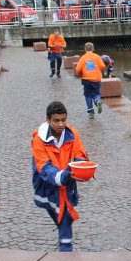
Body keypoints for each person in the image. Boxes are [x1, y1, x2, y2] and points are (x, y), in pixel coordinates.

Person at [31, 101, 88, 252]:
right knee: (61, 216)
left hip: (66, 186)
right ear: (48, 120)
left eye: (64, 119)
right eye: (56, 120)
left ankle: (65, 248)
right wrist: (64, 176)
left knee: (64, 217)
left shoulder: (73, 134)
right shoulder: (38, 141)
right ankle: (65, 246)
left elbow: (79, 153)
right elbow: (44, 167)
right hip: (47, 187)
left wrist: (80, 166)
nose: (61, 124)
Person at [76, 42, 105, 119]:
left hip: (86, 79)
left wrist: (80, 75)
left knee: (88, 95)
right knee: (96, 93)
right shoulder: (97, 57)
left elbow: (78, 69)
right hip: (96, 79)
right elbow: (102, 66)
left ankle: (91, 112)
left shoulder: (83, 58)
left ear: (85, 49)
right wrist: (100, 72)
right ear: (93, 49)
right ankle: (97, 100)